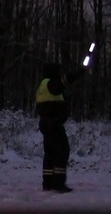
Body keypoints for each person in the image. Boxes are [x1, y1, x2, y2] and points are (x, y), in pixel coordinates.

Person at [35, 63, 85, 193]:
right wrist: (77, 73)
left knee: (50, 154)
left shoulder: (43, 85)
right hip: (53, 124)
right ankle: (58, 184)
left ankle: (48, 183)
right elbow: (63, 83)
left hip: (46, 124)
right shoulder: (51, 84)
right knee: (62, 152)